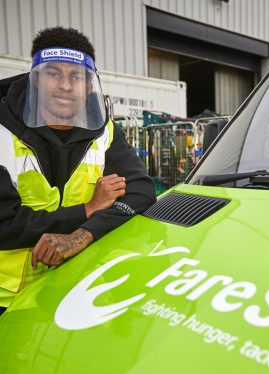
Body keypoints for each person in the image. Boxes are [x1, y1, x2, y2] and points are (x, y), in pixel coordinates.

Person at [0, 27, 156, 314]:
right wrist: (86, 209)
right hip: (6, 302)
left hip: (69, 293)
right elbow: (4, 224)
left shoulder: (103, 131)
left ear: (89, 86)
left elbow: (141, 193)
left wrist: (83, 234)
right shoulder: (2, 131)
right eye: (53, 73)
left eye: (76, 76)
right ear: (35, 79)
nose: (65, 85)